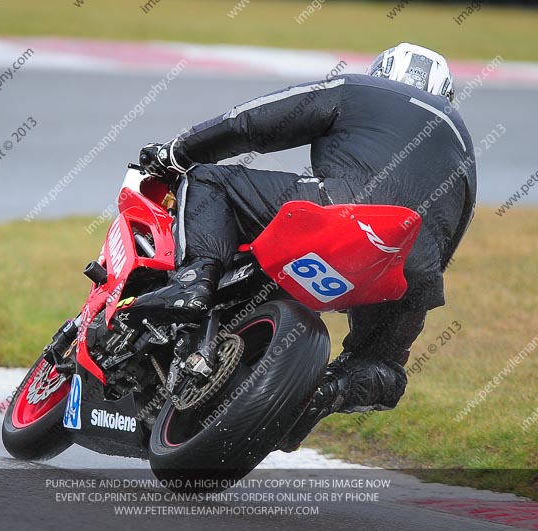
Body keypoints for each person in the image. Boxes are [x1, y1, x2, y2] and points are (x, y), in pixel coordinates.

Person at [123, 43, 477, 449]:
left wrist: (177, 151)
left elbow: (252, 122)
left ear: (380, 74)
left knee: (207, 178)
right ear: (446, 94)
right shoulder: (464, 147)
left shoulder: (359, 88)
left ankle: (195, 281)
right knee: (381, 369)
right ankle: (321, 393)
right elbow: (451, 238)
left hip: (339, 211)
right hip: (408, 266)